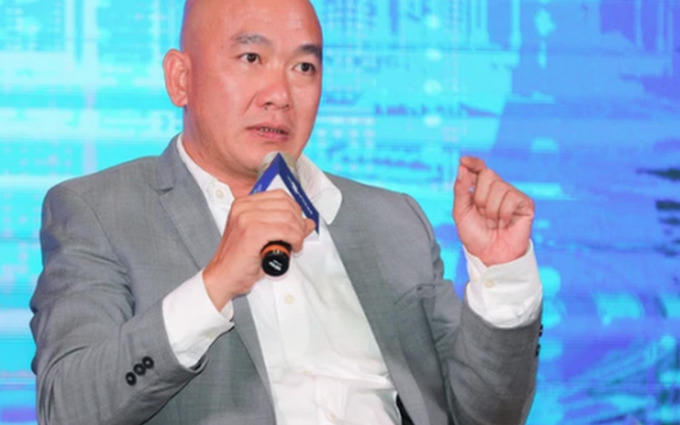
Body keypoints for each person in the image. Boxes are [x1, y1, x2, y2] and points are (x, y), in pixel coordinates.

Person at [30, 0, 543, 424]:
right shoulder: (100, 211)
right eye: (251, 58)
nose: (279, 95)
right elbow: (68, 409)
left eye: (303, 68)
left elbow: (487, 415)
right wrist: (213, 286)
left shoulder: (393, 221)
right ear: (180, 78)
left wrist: (504, 277)